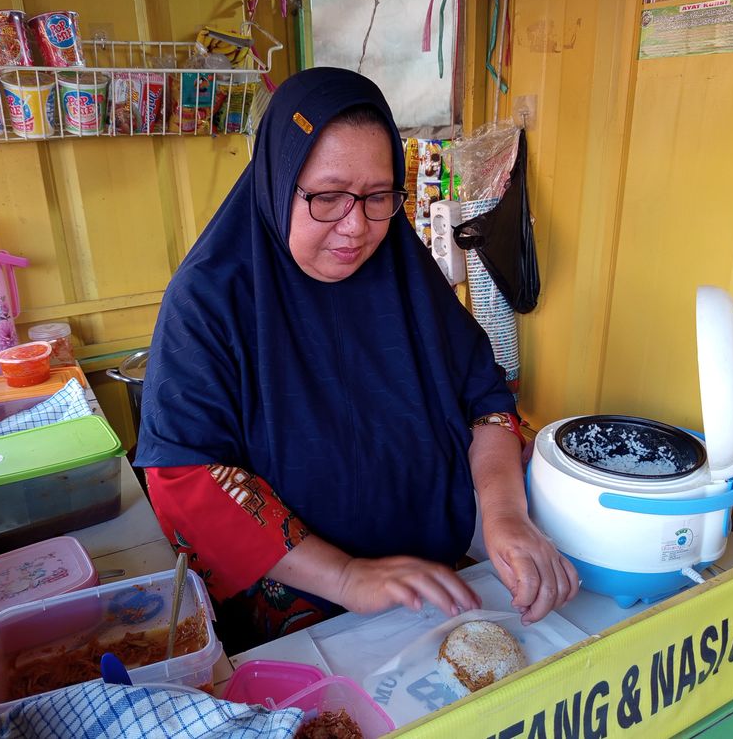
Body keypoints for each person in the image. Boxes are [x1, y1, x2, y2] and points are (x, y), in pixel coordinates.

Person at [135, 67, 577, 651]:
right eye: (327, 196)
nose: (356, 227)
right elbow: (186, 474)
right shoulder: (212, 298)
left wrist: (505, 515)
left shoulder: (404, 272)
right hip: (296, 620)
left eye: (377, 197)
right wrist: (346, 576)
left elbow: (486, 402)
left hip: (431, 593)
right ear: (278, 180)